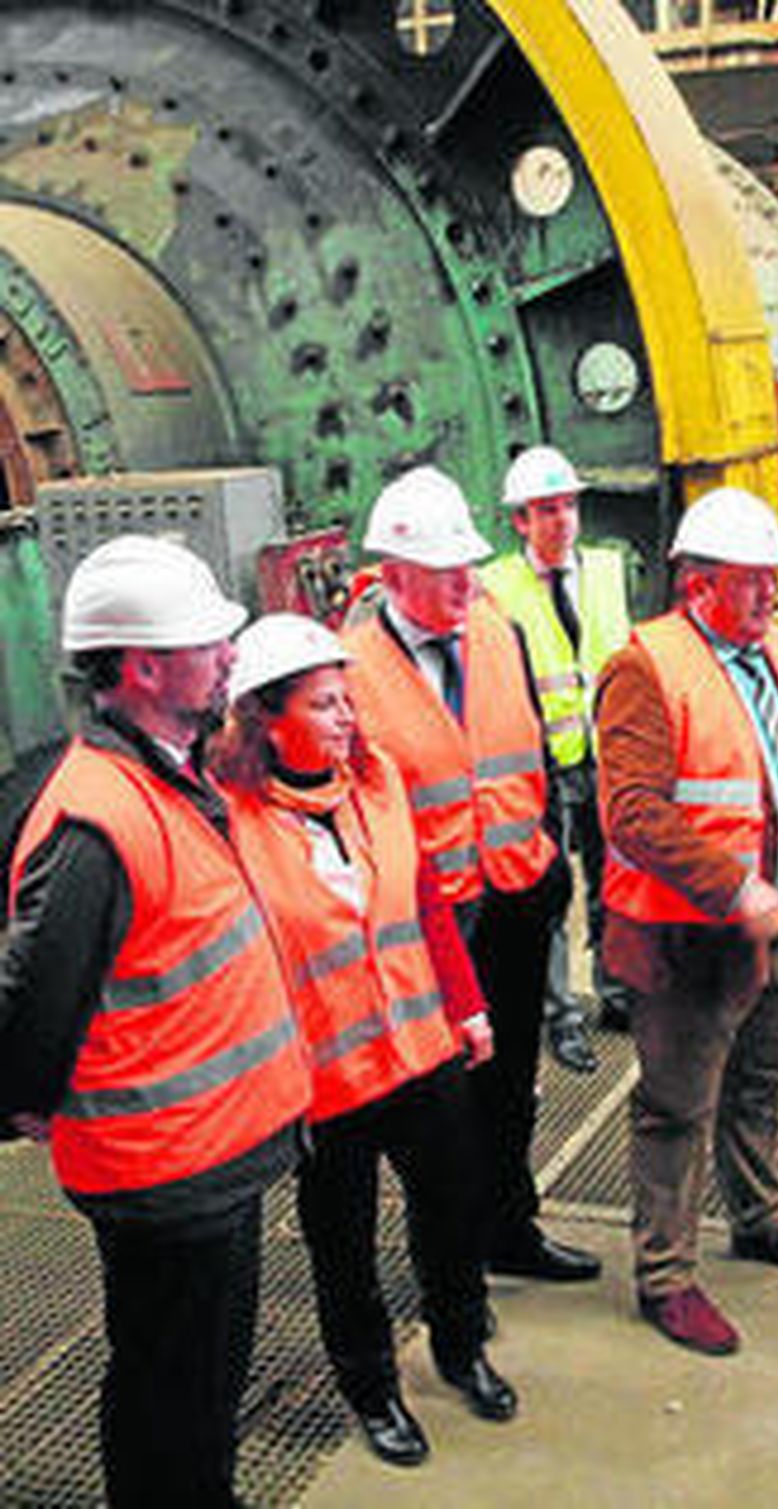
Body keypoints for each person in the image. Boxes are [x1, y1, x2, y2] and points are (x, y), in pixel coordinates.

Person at [0, 536, 310, 1507]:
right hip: (169, 1175)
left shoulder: (169, 772)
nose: (228, 656)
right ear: (140, 668)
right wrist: (25, 1107)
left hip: (215, 1159)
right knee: (168, 1396)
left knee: (203, 1386)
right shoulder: (97, 818)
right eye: (206, 643)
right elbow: (28, 1010)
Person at [216, 614, 515, 1469]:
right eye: (323, 705)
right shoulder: (235, 819)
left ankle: (462, 1347)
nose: (348, 717)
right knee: (341, 1244)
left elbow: (424, 901)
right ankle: (372, 1386)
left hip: (422, 1052)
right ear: (267, 720)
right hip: (327, 1078)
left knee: (454, 1210)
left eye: (348, 699)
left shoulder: (377, 780)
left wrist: (467, 1006)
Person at [595, 486, 778, 1356]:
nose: (765, 597)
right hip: (691, 938)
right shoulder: (646, 667)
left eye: (771, 580)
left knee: (759, 1080)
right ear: (695, 583)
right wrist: (731, 887)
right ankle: (666, 1275)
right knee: (677, 1107)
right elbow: (631, 810)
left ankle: (761, 1215)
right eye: (747, 582)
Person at [342, 466, 600, 1285]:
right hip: (430, 925)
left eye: (468, 564)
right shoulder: (350, 670)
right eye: (444, 569)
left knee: (513, 1087)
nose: (465, 581)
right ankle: (454, 1270)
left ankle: (510, 1228)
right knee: (442, 1112)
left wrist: (552, 866)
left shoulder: (499, 634)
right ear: (392, 577)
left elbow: (531, 754)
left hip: (518, 894)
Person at [482, 445, 635, 1073]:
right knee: (549, 895)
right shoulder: (494, 588)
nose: (562, 520)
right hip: (538, 766)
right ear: (520, 520)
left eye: (569, 506)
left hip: (604, 755)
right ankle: (560, 1016)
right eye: (547, 510)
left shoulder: (605, 570)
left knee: (614, 881)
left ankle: (618, 993)